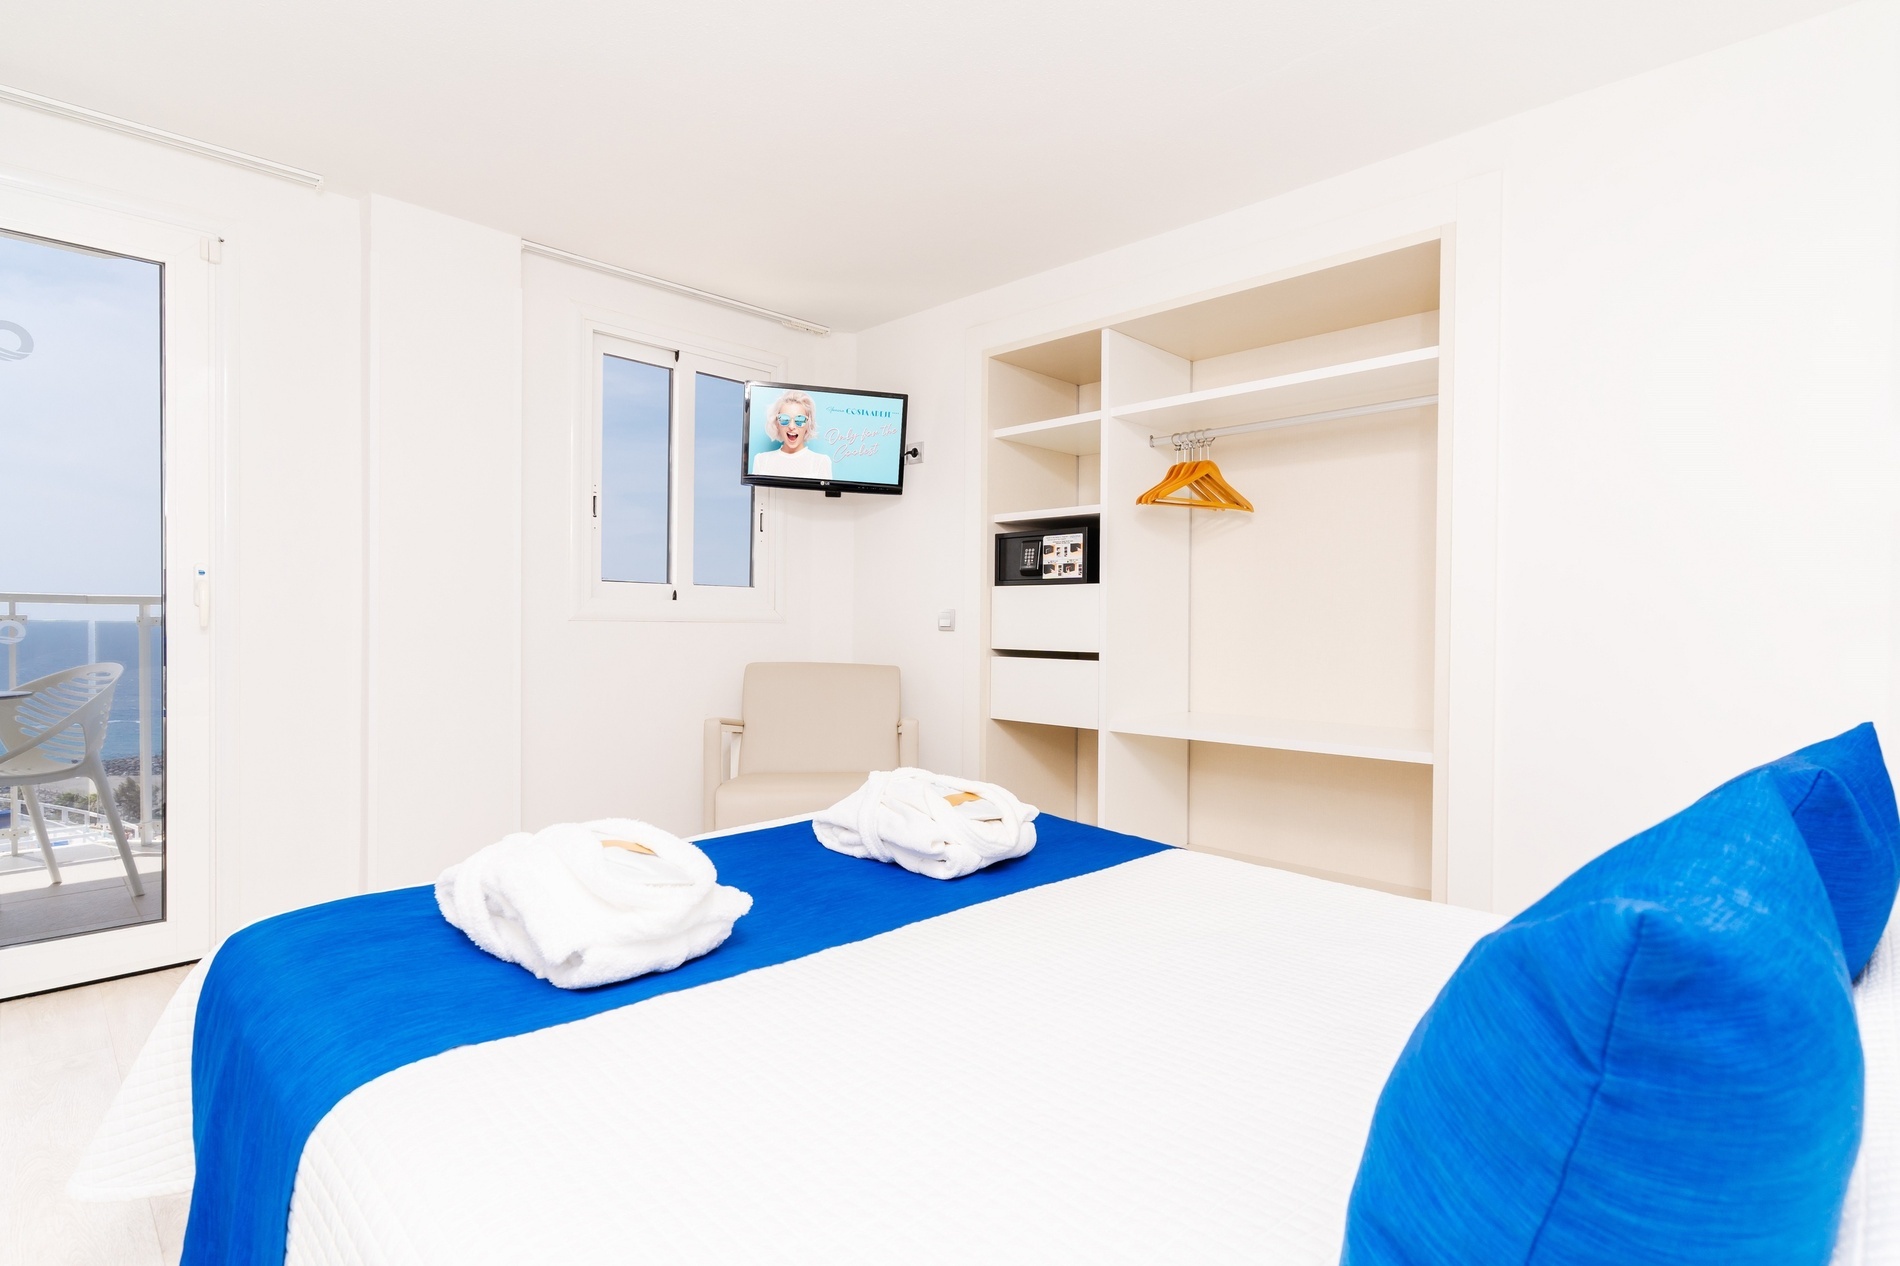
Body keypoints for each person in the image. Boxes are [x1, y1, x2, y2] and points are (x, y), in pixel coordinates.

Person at [750, 390, 833, 479]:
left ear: (808, 424)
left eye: (800, 420)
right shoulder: (761, 461)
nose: (792, 426)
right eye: (784, 419)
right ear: (777, 423)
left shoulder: (821, 462)